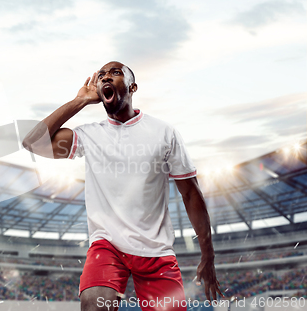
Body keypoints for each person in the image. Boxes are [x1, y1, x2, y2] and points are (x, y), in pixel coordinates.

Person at [22, 61, 223, 311]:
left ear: (132, 86)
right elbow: (32, 142)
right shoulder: (89, 135)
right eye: (102, 75)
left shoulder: (164, 132)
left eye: (115, 73)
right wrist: (79, 101)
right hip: (107, 246)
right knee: (93, 304)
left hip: (155, 251)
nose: (106, 78)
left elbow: (191, 194)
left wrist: (208, 254)